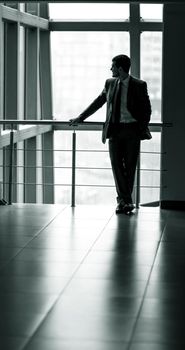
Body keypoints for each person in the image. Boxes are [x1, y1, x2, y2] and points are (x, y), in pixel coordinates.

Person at [69, 54, 152, 214]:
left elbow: (146, 109)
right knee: (116, 166)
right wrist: (81, 117)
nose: (111, 69)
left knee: (130, 166)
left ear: (120, 68)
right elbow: (98, 102)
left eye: (113, 66)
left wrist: (140, 127)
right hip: (115, 131)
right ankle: (126, 202)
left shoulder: (139, 85)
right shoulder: (110, 83)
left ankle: (124, 202)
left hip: (132, 131)